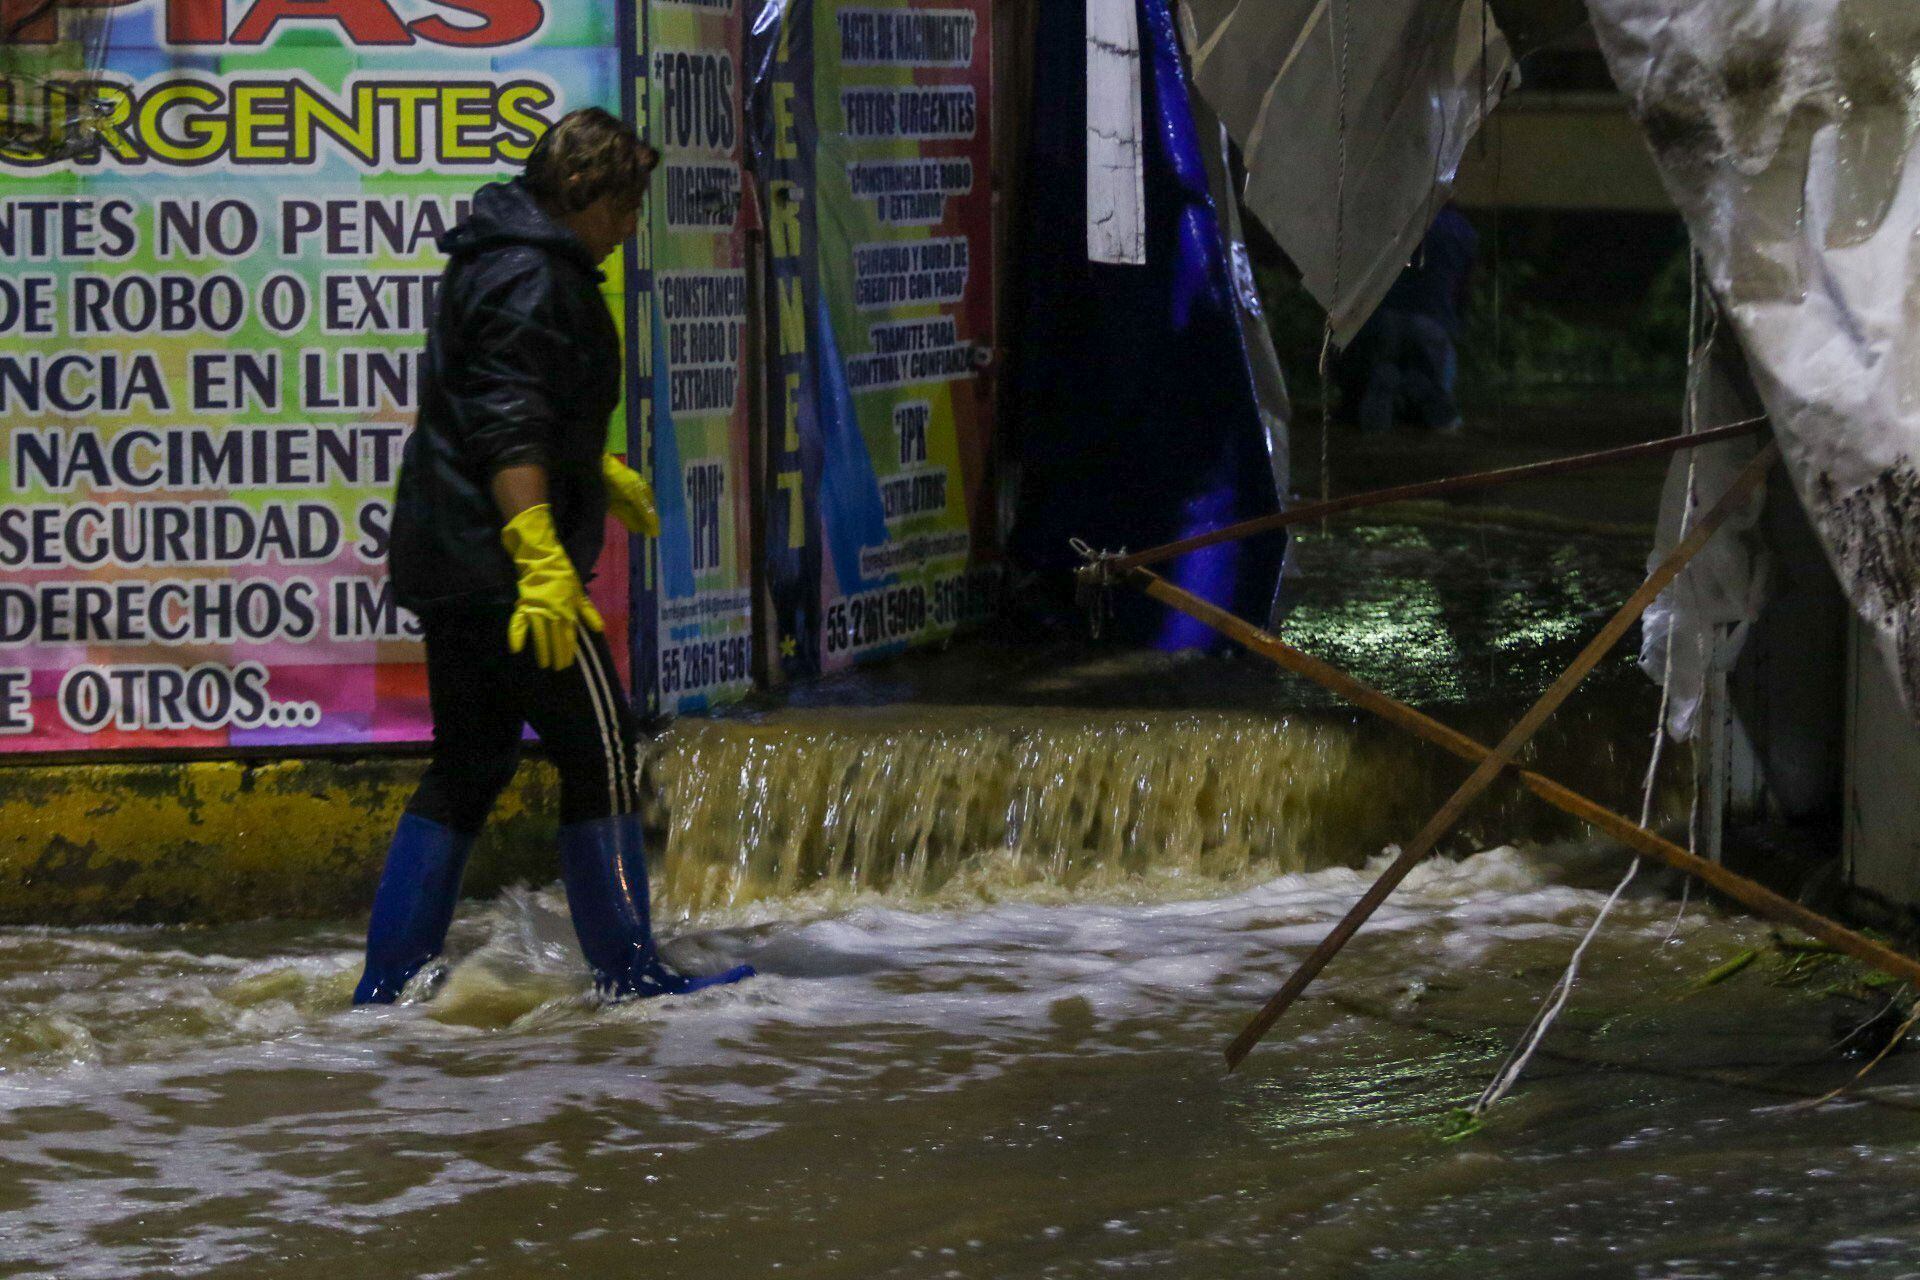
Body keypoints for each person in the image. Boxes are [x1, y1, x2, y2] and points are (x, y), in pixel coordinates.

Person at [355, 107, 753, 1005]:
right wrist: (537, 550)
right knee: (603, 754)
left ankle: (386, 988)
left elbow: (501, 407)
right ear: (581, 193)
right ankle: (629, 971)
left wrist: (588, 469)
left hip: (454, 559)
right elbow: (506, 427)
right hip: (506, 575)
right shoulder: (534, 277)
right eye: (624, 205)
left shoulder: (500, 259)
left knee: (471, 763)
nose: (629, 227)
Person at [1338, 204, 1478, 433]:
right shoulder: (1460, 228)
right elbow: (1465, 285)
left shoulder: (1399, 221)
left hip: (1385, 317)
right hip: (1433, 320)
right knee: (1434, 388)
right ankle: (1442, 423)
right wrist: (1460, 321)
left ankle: (1375, 428)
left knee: (1382, 373)